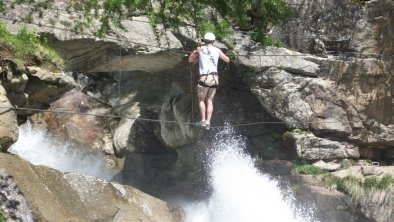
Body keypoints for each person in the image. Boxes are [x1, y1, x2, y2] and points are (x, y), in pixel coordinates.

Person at [188, 32, 230, 130]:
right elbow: (227, 60)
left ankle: (203, 121)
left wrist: (196, 54)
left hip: (204, 78)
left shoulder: (200, 49)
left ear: (205, 40)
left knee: (202, 99)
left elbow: (190, 59)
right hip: (214, 79)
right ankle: (208, 122)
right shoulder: (217, 50)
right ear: (213, 41)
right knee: (210, 100)